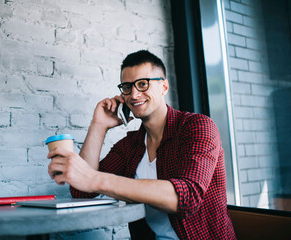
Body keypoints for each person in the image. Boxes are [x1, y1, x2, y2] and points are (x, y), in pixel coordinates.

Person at [47, 50, 236, 239]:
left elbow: (186, 197)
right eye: (127, 87)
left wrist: (95, 179)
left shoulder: (198, 127)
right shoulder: (130, 146)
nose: (134, 94)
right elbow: (81, 191)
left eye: (143, 84)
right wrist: (99, 125)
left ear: (164, 86)